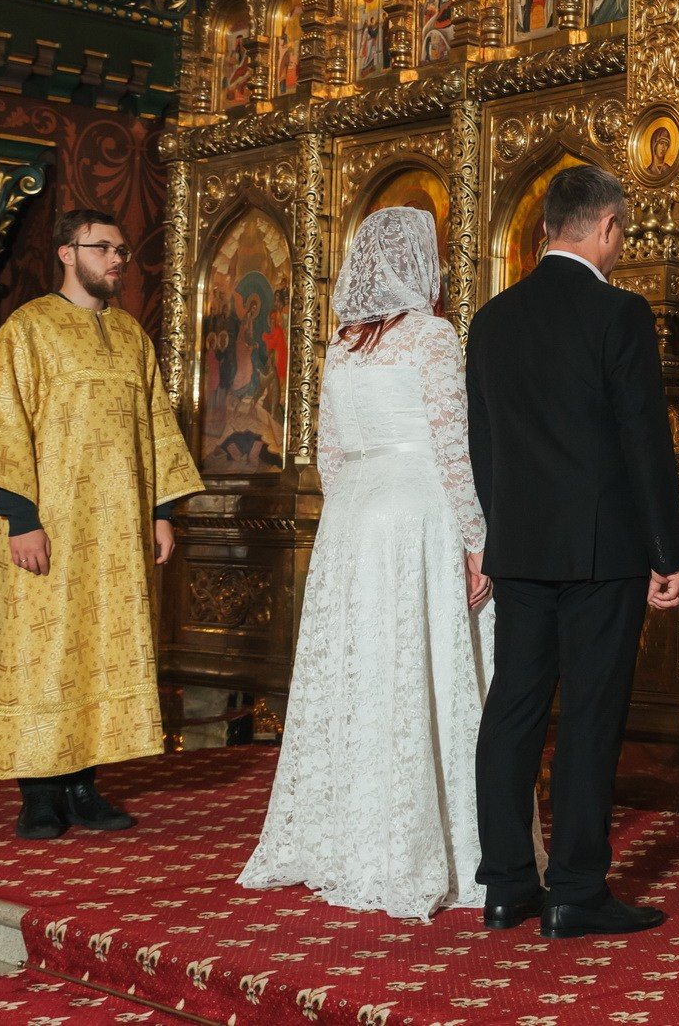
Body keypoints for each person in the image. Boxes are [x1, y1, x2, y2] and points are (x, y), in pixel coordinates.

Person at [239, 207, 494, 919]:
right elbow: (452, 449)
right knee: (420, 673)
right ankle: (426, 848)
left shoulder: (342, 347)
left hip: (351, 521)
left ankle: (343, 840)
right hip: (415, 516)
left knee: (361, 675)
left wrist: (355, 506)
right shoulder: (435, 338)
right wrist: (477, 540)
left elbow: (328, 455)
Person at [466, 164, 679, 940]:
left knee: (514, 711)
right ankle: (576, 892)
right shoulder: (618, 314)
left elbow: (481, 448)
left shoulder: (491, 320)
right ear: (606, 229)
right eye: (621, 233)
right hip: (603, 553)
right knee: (590, 718)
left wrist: (501, 535)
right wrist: (669, 548)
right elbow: (643, 442)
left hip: (519, 550)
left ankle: (505, 887)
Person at [0, 209, 203, 839]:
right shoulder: (28, 330)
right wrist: (20, 517)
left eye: (123, 252)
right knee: (41, 648)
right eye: (104, 249)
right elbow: (3, 423)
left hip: (117, 529)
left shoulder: (132, 335)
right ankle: (38, 794)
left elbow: (157, 425)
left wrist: (160, 512)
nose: (118, 261)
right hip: (48, 522)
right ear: (67, 253)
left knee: (102, 647)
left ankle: (84, 786)